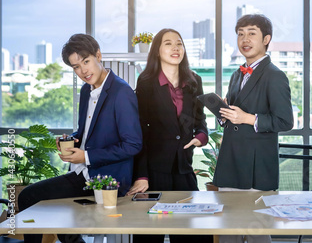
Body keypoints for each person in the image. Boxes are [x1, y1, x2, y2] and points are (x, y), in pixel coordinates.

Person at [18, 34, 143, 243]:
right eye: (76, 67)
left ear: (98, 56)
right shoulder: (86, 90)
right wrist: (73, 140)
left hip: (104, 179)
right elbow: (86, 131)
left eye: (86, 62)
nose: (83, 71)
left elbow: (133, 144)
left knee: (28, 197)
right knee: (57, 214)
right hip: (82, 172)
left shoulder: (121, 92)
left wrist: (86, 156)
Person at [213, 14, 294, 243]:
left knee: (256, 233)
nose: (244, 39)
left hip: (256, 169)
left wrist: (248, 118)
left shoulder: (275, 76)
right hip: (231, 164)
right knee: (230, 232)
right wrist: (224, 113)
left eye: (251, 33)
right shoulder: (237, 74)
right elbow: (236, 117)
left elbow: (285, 121)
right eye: (240, 34)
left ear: (266, 39)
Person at [127, 28, 212, 243]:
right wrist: (142, 174)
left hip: (184, 168)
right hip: (155, 170)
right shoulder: (146, 82)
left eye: (179, 43)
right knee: (149, 234)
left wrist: (201, 136)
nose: (175, 48)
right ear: (157, 50)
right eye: (168, 43)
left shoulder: (194, 81)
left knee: (191, 232)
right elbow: (141, 131)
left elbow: (200, 120)